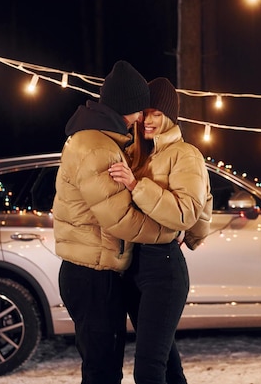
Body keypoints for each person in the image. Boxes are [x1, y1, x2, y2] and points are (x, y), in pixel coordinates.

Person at [53, 61, 178, 384]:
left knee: (102, 370)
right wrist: (167, 232)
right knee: (103, 373)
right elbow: (120, 220)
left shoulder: (96, 140)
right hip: (93, 275)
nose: (142, 119)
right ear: (127, 107)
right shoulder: (97, 148)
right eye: (139, 109)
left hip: (93, 272)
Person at [108, 77, 213, 384]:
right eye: (144, 113)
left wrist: (135, 185)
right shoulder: (137, 155)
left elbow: (185, 212)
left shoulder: (185, 154)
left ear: (170, 115)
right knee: (166, 365)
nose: (146, 120)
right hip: (133, 266)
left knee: (148, 370)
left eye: (155, 113)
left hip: (163, 270)